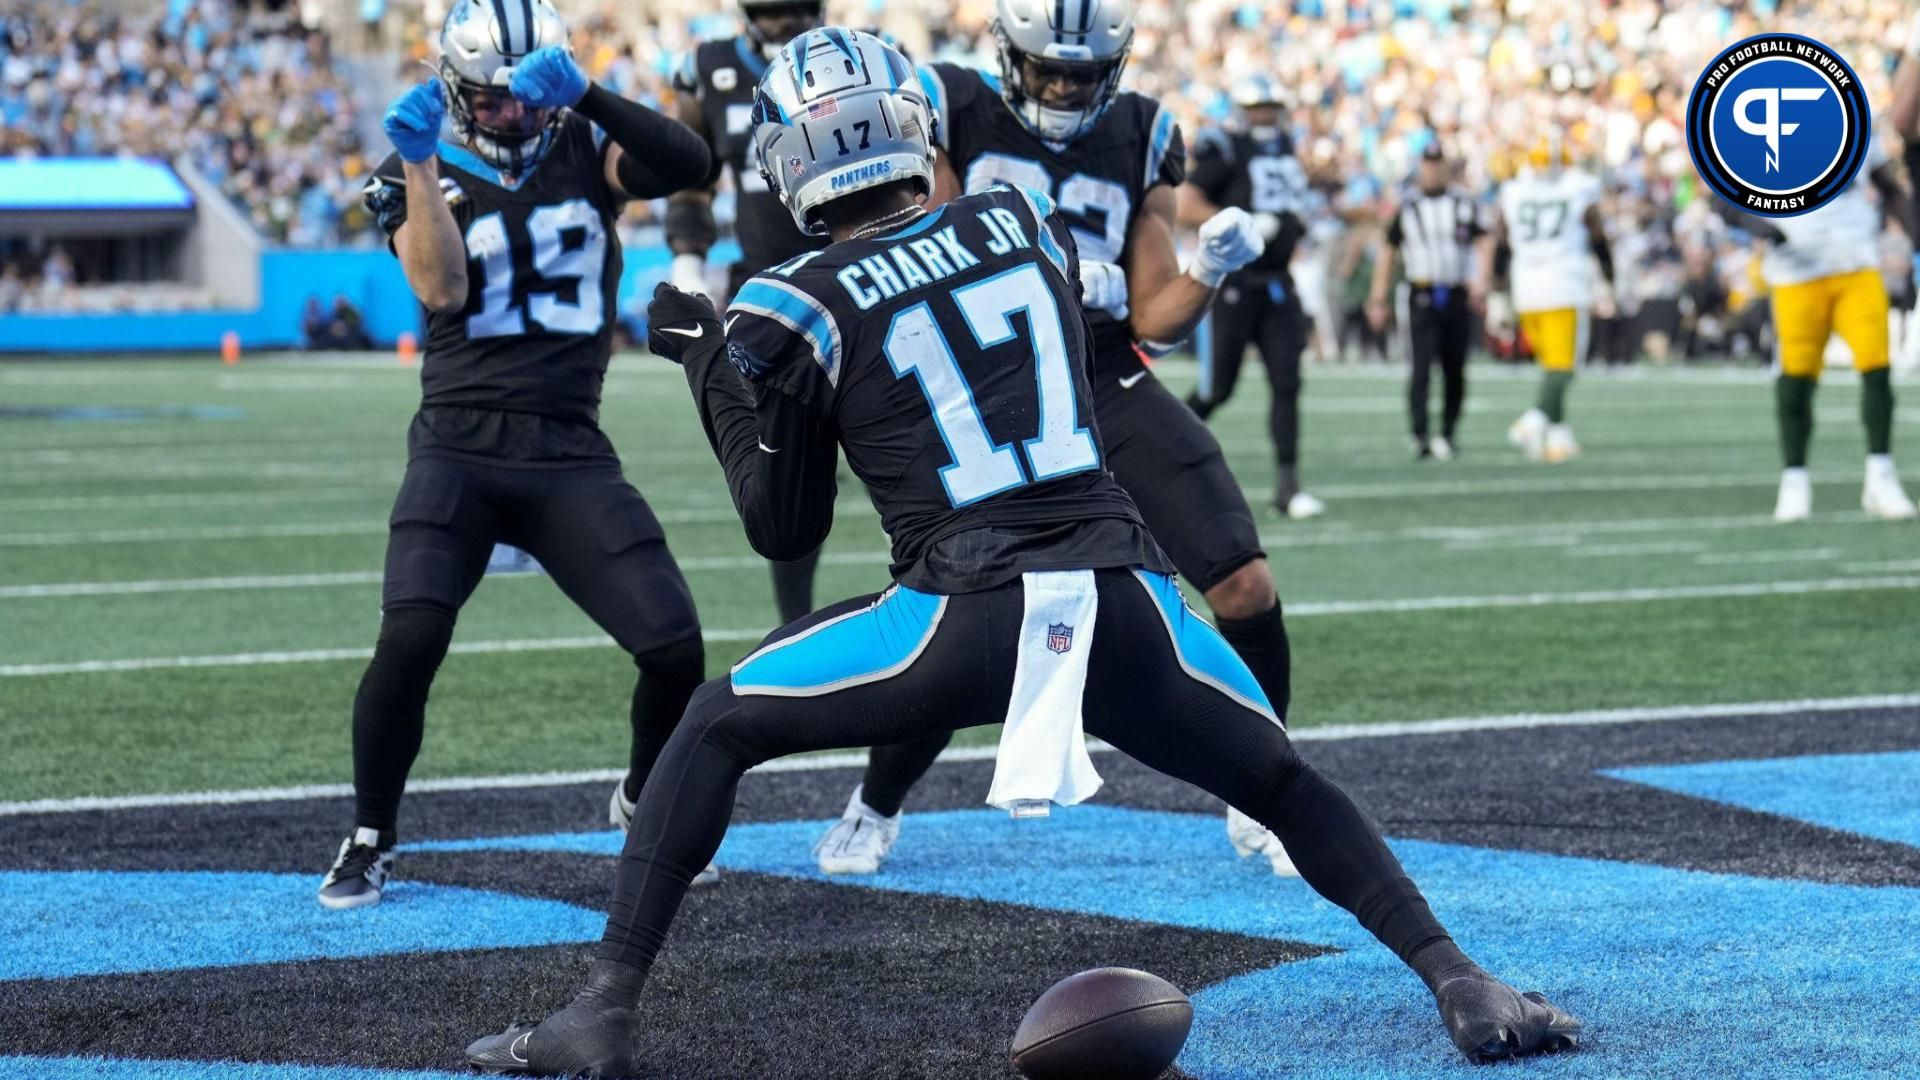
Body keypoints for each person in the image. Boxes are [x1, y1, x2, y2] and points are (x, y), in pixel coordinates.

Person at [463, 30, 1581, 1075]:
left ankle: (601, 1010)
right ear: (912, 128)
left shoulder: (787, 299)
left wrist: (710, 362)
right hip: (1124, 597)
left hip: (959, 611)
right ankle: (1464, 981)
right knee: (1282, 778)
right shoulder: (1019, 222)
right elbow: (1101, 327)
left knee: (712, 724)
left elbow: (783, 527)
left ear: (787, 155)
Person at [812, 0, 1300, 880]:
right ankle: (875, 802)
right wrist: (1063, 268)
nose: (1066, 86)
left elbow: (1157, 316)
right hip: (996, 377)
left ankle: (1265, 792)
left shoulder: (1144, 132)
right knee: (966, 600)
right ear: (1009, 55)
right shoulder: (947, 103)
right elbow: (937, 249)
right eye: (1049, 68)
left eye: (1083, 73)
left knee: (1243, 580)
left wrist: (1209, 269)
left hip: (1100, 371)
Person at [318, 0, 714, 909]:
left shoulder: (582, 145)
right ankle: (370, 833)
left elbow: (691, 164)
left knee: (673, 645)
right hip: (459, 445)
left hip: (569, 448)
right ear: (456, 91)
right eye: (494, 101)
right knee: (411, 636)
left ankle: (643, 798)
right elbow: (443, 287)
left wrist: (593, 94)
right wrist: (419, 161)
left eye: (530, 96)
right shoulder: (413, 159)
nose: (517, 115)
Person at [667, 0, 833, 626]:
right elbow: (689, 175)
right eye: (768, 12)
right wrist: (688, 258)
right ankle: (795, 625)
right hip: (768, 299)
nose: (782, 25)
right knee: (792, 477)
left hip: (854, 282)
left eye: (794, 11)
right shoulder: (711, 68)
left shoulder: (852, 59)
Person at [1722, 135, 1917, 522]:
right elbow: (1725, 197)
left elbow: (1890, 188)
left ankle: (1881, 476)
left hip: (1856, 263)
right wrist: (1758, 225)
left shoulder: (1855, 122)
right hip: (1797, 270)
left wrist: (1912, 243)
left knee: (1877, 366)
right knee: (1795, 377)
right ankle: (1794, 478)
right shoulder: (1763, 124)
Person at [1180, 74, 1323, 516]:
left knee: (1287, 382)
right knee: (1219, 387)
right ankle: (1163, 454)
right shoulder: (1226, 148)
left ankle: (1288, 485)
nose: (1265, 114)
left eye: (1270, 106)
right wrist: (1239, 220)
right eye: (1257, 107)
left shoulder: (1285, 148)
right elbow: (1186, 204)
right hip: (1237, 285)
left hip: (1279, 284)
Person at [1482, 132, 1612, 464]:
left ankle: (1558, 438)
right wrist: (1609, 278)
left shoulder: (1514, 192)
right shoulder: (1578, 189)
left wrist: (1497, 290)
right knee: (1563, 368)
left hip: (1526, 288)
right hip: (1564, 285)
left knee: (1550, 366)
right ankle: (1534, 420)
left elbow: (1501, 243)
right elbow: (1598, 235)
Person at [1368, 139, 1484, 461]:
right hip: (1420, 293)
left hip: (1456, 291)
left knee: (1455, 367)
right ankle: (1419, 433)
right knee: (1420, 366)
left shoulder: (1465, 203)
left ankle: (1448, 431)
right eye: (1428, 163)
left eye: (1438, 163)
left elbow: (1483, 238)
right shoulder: (1408, 206)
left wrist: (1481, 282)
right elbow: (1388, 251)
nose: (1433, 169)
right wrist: (1378, 297)